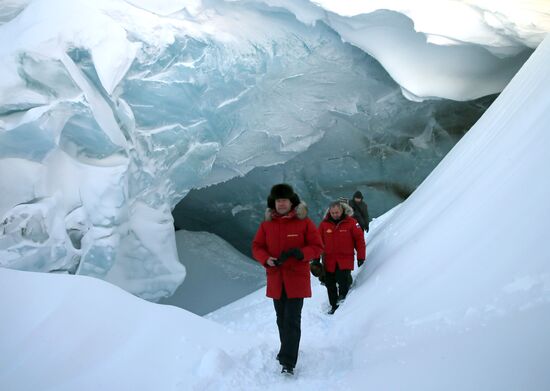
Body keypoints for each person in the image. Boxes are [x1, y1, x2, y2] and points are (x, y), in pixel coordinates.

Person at [252, 183, 323, 375]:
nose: (281, 204)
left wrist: (301, 253)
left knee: (292, 320)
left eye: (284, 200)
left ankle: (288, 362)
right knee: (281, 319)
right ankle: (287, 349)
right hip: (276, 279)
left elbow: (317, 246)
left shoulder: (304, 223)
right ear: (273, 203)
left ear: (292, 202)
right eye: (278, 200)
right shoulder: (266, 225)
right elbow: (257, 246)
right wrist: (266, 259)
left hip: (296, 280)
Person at [318, 200, 366, 314]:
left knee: (343, 281)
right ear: (330, 212)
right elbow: (317, 242)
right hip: (329, 260)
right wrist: (315, 260)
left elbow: (359, 240)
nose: (335, 215)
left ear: (342, 210)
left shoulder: (352, 223)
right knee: (330, 284)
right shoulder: (324, 225)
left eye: (337, 212)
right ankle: (334, 306)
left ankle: (343, 303)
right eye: (333, 212)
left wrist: (361, 256)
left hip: (345, 259)